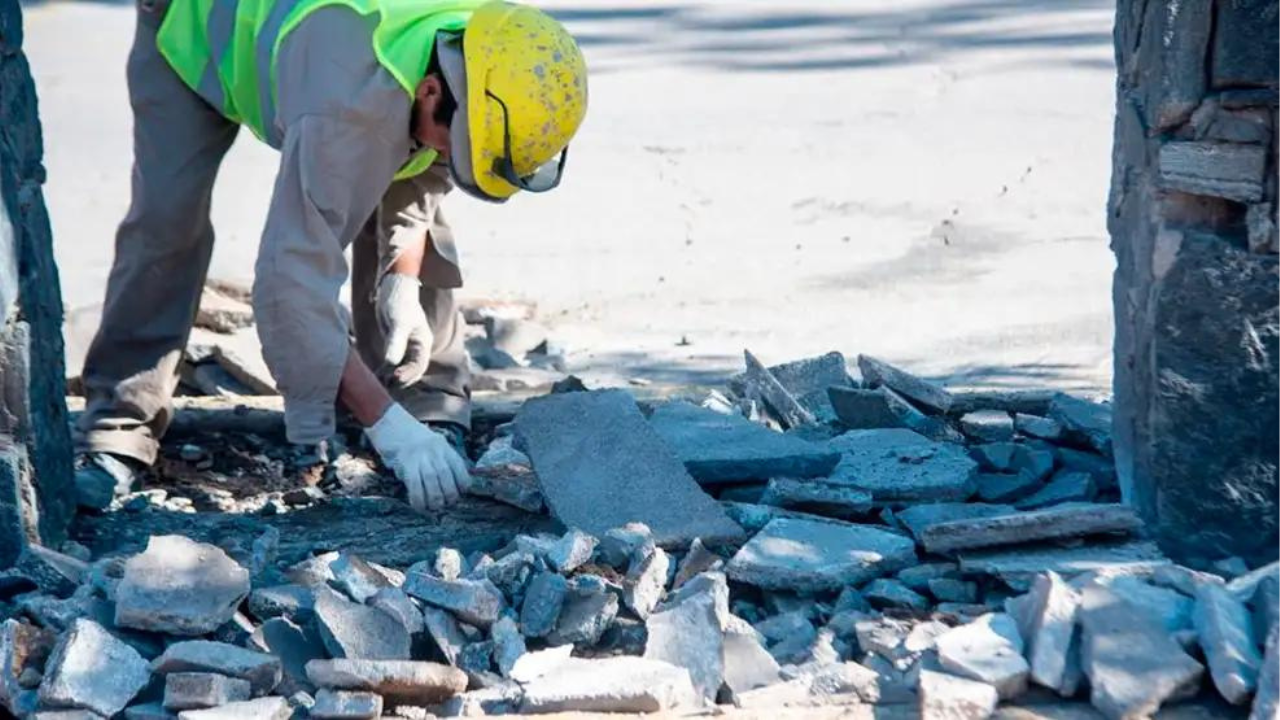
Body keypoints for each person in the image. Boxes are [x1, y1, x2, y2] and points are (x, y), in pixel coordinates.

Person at [72, 0, 587, 512]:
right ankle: (118, 427)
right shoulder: (345, 109)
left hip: (345, 66)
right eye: (460, 148)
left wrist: (401, 277)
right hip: (193, 32)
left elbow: (427, 172)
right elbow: (290, 284)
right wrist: (387, 427)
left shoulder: (476, 42)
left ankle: (430, 405)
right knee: (166, 225)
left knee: (418, 214)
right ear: (430, 90)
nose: (454, 160)